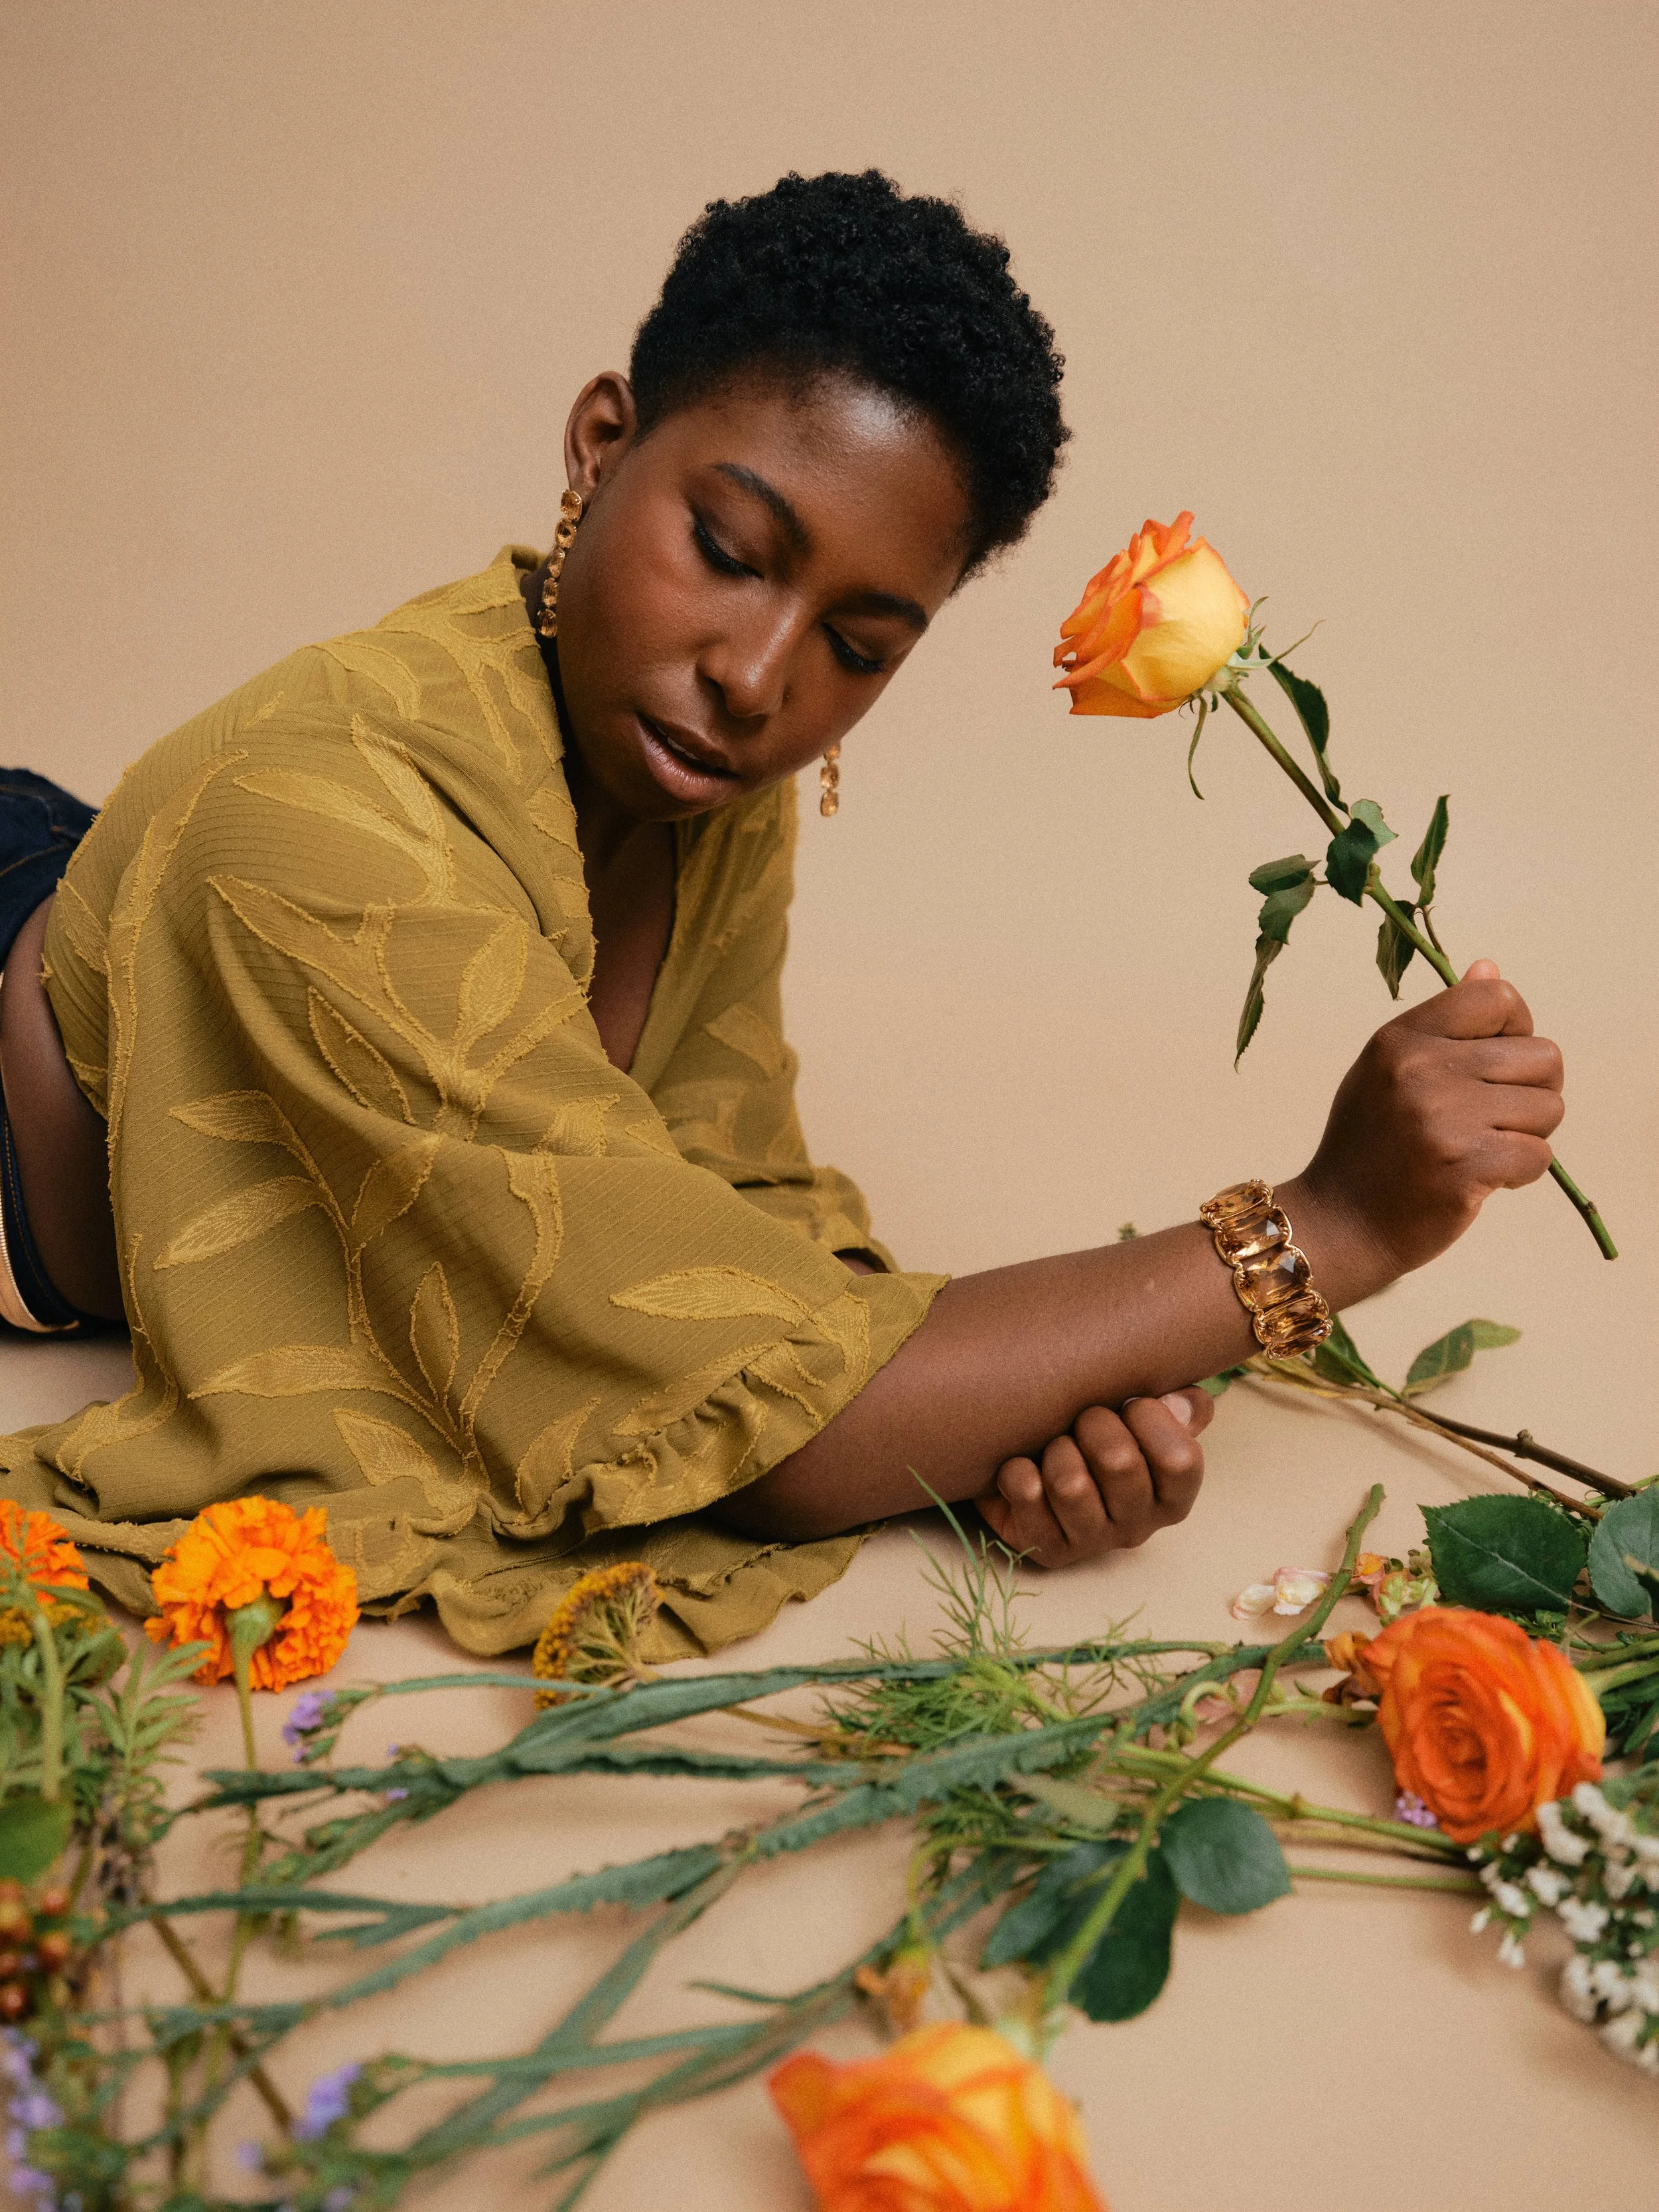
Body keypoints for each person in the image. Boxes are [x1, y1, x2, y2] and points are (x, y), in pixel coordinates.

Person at [0, 172, 1565, 1657]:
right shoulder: (328, 823)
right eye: (729, 554)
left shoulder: (680, 774)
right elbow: (728, 1395)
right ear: (599, 446)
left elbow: (735, 1239)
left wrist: (1012, 1426)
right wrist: (1320, 1229)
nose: (759, 678)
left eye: (861, 645)